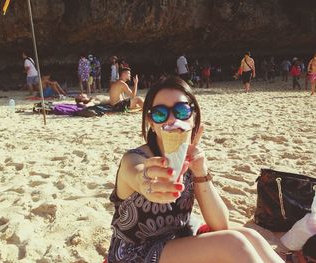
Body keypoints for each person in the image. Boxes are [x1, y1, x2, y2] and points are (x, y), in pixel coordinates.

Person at [107, 76, 284, 263]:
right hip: (135, 253)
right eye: (160, 113)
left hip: (176, 241)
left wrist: (200, 171)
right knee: (231, 243)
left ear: (193, 118)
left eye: (181, 110)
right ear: (151, 122)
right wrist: (147, 183)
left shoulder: (190, 158)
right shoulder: (133, 159)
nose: (172, 119)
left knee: (251, 236)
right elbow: (138, 175)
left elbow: (220, 224)